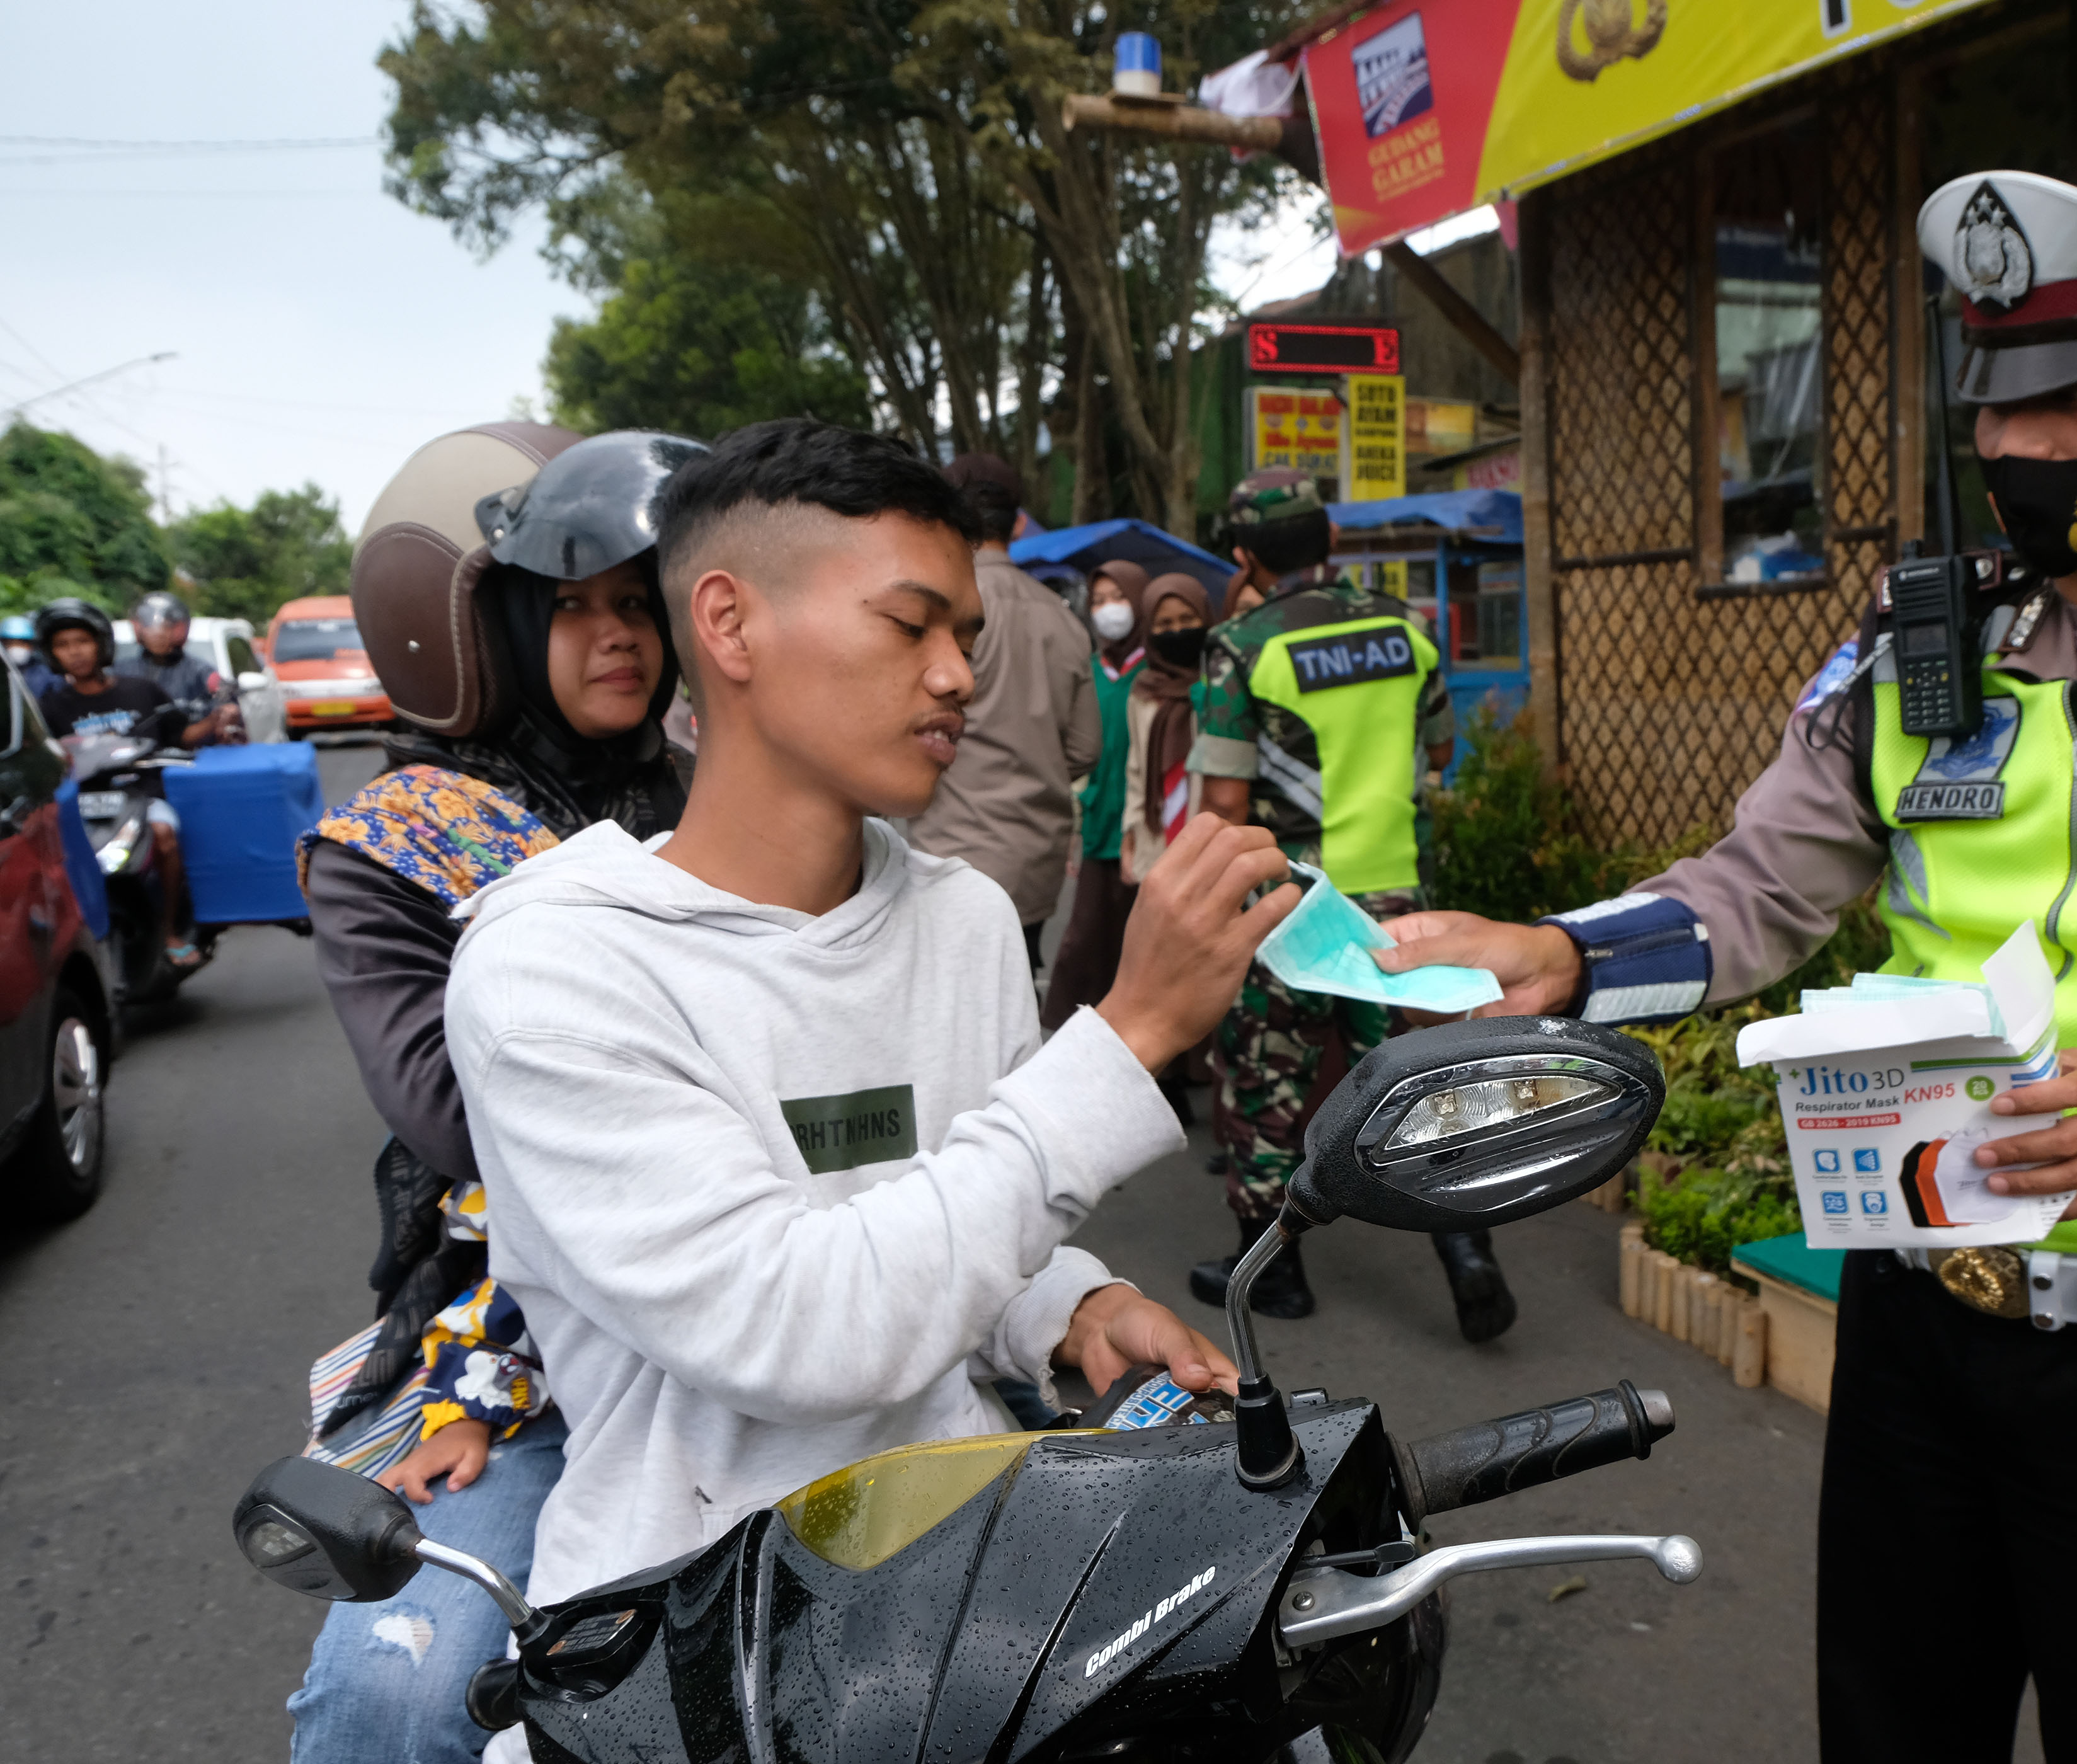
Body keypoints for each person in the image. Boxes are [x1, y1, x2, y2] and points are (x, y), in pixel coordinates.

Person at [1373, 171, 2077, 1763]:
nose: (2021, 451)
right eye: (1996, 405)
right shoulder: (1926, 649)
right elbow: (1756, 891)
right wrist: (1566, 953)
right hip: (1915, 1336)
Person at [442, 421, 1295, 1681]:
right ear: (728, 626)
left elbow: (959, 1222)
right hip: (690, 1630)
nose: (957, 676)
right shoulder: (556, 963)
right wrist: (1133, 1033)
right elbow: (803, 1327)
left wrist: (1074, 1305)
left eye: (968, 639)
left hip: (971, 1578)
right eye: (911, 626)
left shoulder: (959, 918)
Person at [285, 422, 701, 1764]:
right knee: (393, 1701)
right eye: (567, 607)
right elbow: (455, 1111)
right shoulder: (392, 842)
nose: (615, 635)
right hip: (507, 1332)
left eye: (636, 602)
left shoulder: (725, 793)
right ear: (487, 631)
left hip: (748, 1277)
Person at [1182, 468, 1510, 1341]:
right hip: (1404, 910)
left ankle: (1276, 1272)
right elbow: (1438, 753)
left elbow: (1219, 808)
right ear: (1330, 541)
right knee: (1421, 1085)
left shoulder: (1242, 647)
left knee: (1269, 1082)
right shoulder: (1406, 630)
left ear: (1245, 557)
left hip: (1290, 912)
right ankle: (1468, 1253)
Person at [903, 452, 1099, 973]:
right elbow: (1085, 748)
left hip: (953, 852)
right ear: (1017, 523)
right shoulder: (1064, 621)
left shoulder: (936, 616)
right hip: (1038, 860)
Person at [35, 596, 227, 969]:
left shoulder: (141, 691)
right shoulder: (51, 707)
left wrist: (216, 720)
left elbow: (180, 736)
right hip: (83, 807)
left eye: (82, 642)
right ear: (51, 654)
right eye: (63, 645)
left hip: (141, 797)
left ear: (101, 644)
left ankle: (169, 930)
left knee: (164, 833)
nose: (75, 653)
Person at [1039, 559, 1152, 1033]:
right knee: (1085, 940)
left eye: (1118, 598)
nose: (1109, 610)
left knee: (1141, 945)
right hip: (1096, 823)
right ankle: (1080, 1038)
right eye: (1099, 601)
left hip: (1145, 832)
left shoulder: (1155, 671)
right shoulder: (1088, 670)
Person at [1121, 571, 1210, 883]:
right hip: (1156, 840)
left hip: (1212, 841)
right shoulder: (1143, 693)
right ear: (1149, 629)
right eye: (1164, 624)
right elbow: (1136, 766)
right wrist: (1131, 829)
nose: (1178, 631)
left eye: (1188, 619)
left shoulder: (1221, 686)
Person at [119, 587, 242, 742]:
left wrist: (228, 710)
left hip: (191, 757)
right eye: (152, 627)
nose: (160, 634)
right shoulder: (119, 672)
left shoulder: (200, 672)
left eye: (168, 627)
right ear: (139, 628)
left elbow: (223, 694)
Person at [4, 612, 57, 694]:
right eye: (10, 643)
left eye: (22, 644)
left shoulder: (45, 674)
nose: (16, 648)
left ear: (32, 646)